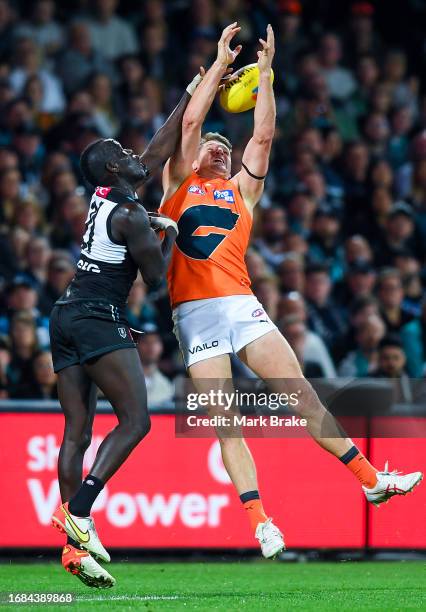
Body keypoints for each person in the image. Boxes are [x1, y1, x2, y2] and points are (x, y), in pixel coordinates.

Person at [160, 23, 423, 559]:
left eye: (224, 148)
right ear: (193, 158)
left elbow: (262, 136)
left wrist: (267, 75)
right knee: (224, 419)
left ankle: (371, 480)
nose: (220, 150)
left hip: (240, 304)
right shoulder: (177, 185)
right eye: (212, 145)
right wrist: (217, 63)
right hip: (194, 315)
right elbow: (190, 119)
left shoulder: (243, 192)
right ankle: (261, 522)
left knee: (300, 394)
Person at [49, 69, 204, 588]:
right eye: (124, 150)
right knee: (137, 422)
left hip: (65, 312)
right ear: (115, 166)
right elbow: (157, 281)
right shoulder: (132, 214)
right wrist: (168, 228)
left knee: (77, 432)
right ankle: (81, 511)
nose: (137, 153)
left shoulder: (105, 193)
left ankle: (74, 550)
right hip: (98, 318)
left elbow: (156, 152)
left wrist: (188, 94)